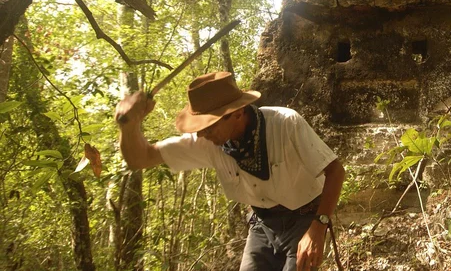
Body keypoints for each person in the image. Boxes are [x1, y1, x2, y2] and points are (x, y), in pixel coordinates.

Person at [115, 71, 345, 271]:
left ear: (237, 113)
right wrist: (129, 125)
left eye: (209, 126)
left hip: (304, 218)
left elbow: (335, 171)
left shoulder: (285, 123)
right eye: (199, 127)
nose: (202, 134)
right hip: (263, 224)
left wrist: (318, 227)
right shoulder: (207, 141)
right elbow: (141, 158)